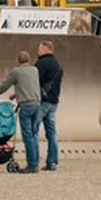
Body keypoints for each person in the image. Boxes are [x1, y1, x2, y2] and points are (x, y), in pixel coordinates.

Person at [0, 50, 41, 173]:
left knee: (27, 135)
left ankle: (32, 165)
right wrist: (16, 94)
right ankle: (36, 162)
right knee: (34, 134)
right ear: (28, 60)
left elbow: (5, 84)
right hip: (37, 104)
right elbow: (29, 86)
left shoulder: (16, 72)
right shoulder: (35, 70)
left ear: (18, 61)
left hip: (26, 106)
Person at [35, 40, 63, 171]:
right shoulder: (58, 65)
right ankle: (52, 162)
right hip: (54, 102)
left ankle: (33, 160)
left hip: (43, 101)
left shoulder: (41, 64)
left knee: (32, 130)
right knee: (51, 133)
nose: (38, 51)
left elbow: (35, 82)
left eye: (40, 48)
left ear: (46, 49)